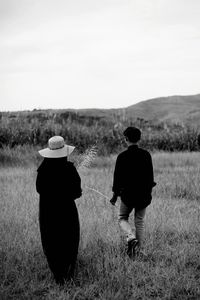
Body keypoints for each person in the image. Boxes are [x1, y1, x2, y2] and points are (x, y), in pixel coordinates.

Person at [36, 136, 82, 284]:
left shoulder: (42, 169)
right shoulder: (69, 169)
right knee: (69, 238)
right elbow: (77, 192)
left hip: (47, 211)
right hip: (67, 211)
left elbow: (39, 189)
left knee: (51, 240)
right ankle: (69, 273)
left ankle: (58, 275)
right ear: (64, 151)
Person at [110, 127, 156, 259]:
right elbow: (150, 178)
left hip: (128, 196)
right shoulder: (146, 155)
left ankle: (130, 236)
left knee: (122, 217)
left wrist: (114, 196)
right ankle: (139, 250)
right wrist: (148, 194)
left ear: (126, 139)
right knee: (139, 221)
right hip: (143, 195)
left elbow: (117, 179)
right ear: (139, 138)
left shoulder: (122, 156)